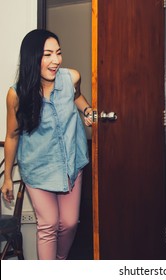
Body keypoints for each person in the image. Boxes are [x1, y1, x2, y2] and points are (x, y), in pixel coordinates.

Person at [1, 29, 92, 260]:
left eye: (58, 53)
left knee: (70, 223)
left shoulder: (71, 77)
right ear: (33, 58)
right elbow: (12, 136)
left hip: (71, 161)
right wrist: (8, 177)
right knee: (49, 224)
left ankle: (58, 264)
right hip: (38, 167)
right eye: (48, 54)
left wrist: (88, 110)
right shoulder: (16, 95)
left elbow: (76, 97)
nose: (56, 60)